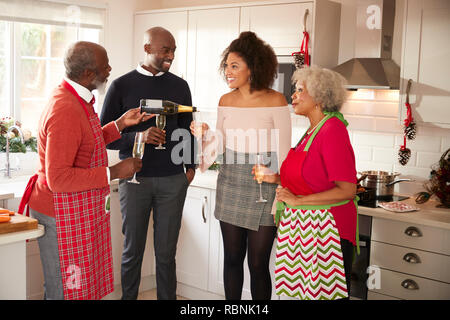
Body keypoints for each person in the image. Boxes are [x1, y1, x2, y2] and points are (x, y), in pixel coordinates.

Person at [18, 41, 153, 300]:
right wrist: (115, 171)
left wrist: (120, 124)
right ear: (88, 74)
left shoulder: (75, 98)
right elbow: (58, 178)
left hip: (72, 210)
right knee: (65, 289)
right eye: (105, 67)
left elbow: (85, 141)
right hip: (59, 213)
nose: (110, 69)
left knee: (77, 285)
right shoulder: (65, 109)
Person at [191, 31, 291, 300]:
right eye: (226, 65)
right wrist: (204, 133)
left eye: (234, 66)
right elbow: (219, 144)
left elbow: (285, 153)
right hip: (231, 183)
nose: (228, 71)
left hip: (264, 187)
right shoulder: (226, 100)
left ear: (253, 67)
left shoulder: (276, 100)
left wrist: (280, 185)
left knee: (258, 264)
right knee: (233, 258)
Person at [100, 27, 195, 300]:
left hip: (172, 180)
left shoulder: (180, 86)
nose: (171, 55)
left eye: (174, 50)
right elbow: (105, 138)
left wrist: (189, 169)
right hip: (134, 180)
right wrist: (137, 138)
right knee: (132, 252)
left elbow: (188, 129)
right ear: (147, 48)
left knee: (166, 255)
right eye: (166, 49)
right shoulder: (121, 85)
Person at [256, 65, 358, 300]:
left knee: (325, 296)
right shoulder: (312, 130)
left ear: (320, 96)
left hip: (328, 231)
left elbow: (347, 190)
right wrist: (276, 178)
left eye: (300, 90)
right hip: (308, 228)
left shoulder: (332, 129)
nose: (293, 95)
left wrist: (298, 200)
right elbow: (311, 178)